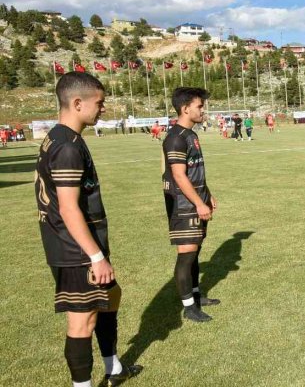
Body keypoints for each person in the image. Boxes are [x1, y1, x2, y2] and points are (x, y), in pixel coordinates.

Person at [35, 73, 141, 387]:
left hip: (73, 244)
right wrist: (95, 256)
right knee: (82, 321)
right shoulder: (67, 147)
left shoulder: (60, 136)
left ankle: (113, 365)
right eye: (99, 103)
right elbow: (68, 207)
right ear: (77, 103)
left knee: (111, 295)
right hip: (75, 250)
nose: (103, 109)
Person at [162, 87, 220, 323]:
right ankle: (189, 307)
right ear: (185, 109)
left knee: (195, 251)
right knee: (186, 255)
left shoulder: (191, 135)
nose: (202, 110)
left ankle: (196, 296)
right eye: (199, 106)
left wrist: (208, 195)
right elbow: (179, 175)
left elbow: (196, 172)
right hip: (184, 205)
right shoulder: (175, 137)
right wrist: (198, 203)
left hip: (196, 200)